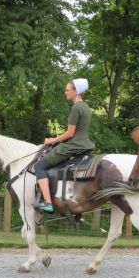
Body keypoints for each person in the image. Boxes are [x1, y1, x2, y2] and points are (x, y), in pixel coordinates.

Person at [34, 78, 95, 213]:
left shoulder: (76, 108)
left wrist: (52, 140)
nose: (65, 92)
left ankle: (48, 203)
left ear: (76, 91)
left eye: (67, 90)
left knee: (38, 165)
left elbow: (70, 133)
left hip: (73, 145)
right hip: (83, 143)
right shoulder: (85, 107)